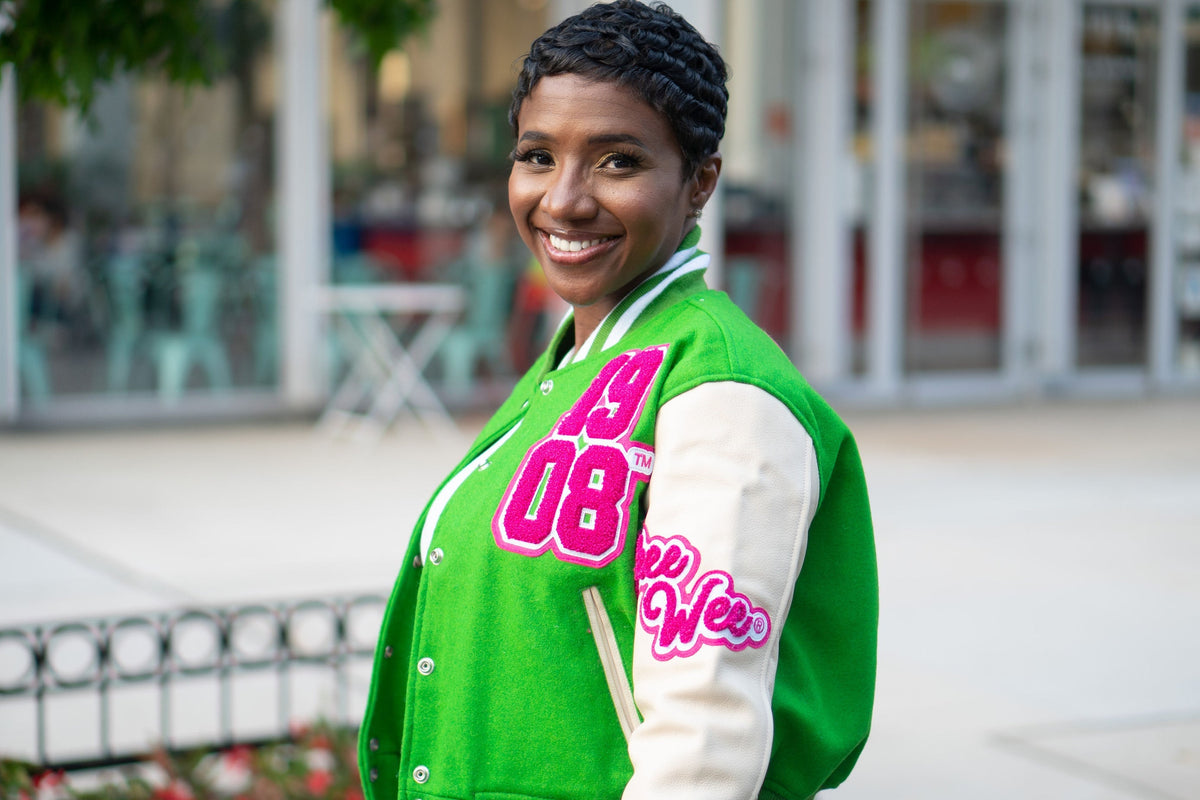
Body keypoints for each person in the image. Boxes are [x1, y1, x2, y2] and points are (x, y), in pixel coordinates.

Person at [357, 3, 878, 799]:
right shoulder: (583, 356)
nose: (563, 201)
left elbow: (703, 748)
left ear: (699, 180)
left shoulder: (721, 392)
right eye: (537, 155)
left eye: (618, 162)